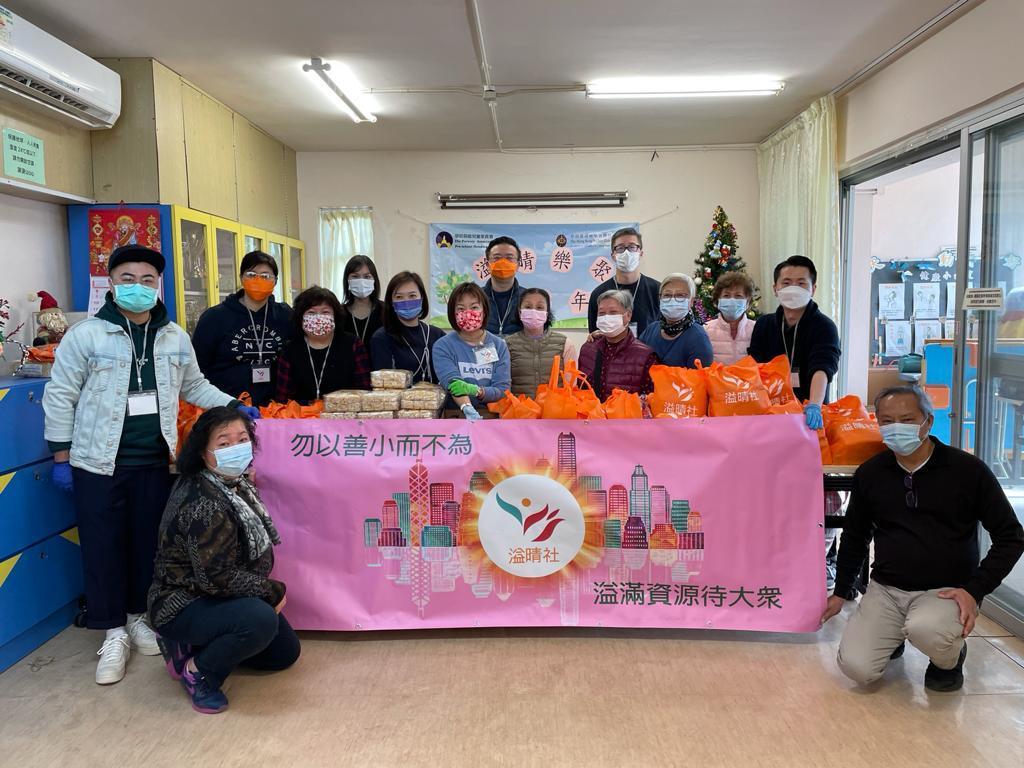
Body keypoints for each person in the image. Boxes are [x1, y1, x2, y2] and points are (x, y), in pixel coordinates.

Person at [41, 244, 259, 686]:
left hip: (155, 462)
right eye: (128, 279)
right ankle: (112, 632)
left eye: (147, 280)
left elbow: (194, 386)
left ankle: (139, 616)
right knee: (103, 547)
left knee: (148, 544)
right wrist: (61, 457)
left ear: (158, 286)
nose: (137, 287)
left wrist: (233, 406)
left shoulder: (173, 336)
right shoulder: (86, 336)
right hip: (97, 463)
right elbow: (60, 395)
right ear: (111, 283)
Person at [822, 386, 1024, 692]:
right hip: (887, 589)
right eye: (887, 421)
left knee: (928, 630)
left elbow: (1011, 536)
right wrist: (840, 592)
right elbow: (855, 536)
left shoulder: (968, 471)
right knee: (856, 667)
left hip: (946, 591)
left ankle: (948, 660)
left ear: (927, 421)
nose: (896, 428)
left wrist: (974, 590)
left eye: (907, 419)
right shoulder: (871, 473)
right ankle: (893, 636)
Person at [149, 407, 299, 714]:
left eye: (242, 440)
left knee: (283, 653)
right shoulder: (204, 501)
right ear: (203, 452)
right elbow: (215, 577)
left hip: (221, 595)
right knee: (260, 621)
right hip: (183, 602)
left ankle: (196, 646)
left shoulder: (231, 483)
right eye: (223, 443)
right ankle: (199, 672)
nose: (236, 448)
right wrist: (270, 591)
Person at [748, 255, 840, 430]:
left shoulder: (825, 326)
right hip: (770, 412)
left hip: (809, 412)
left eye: (801, 283)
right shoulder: (764, 324)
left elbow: (823, 367)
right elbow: (755, 367)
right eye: (786, 283)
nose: (793, 289)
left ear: (813, 289)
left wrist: (814, 405)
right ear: (775, 289)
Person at [192, 251, 292, 407]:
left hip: (276, 408)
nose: (258, 280)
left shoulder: (285, 316)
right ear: (241, 278)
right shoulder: (214, 317)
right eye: (251, 274)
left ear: (275, 281)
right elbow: (197, 369)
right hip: (226, 407)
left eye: (266, 276)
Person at [275, 286, 370, 404]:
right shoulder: (290, 349)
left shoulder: (353, 344)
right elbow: (283, 399)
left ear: (335, 316)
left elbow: (364, 392)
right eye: (311, 312)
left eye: (325, 312)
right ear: (301, 318)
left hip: (345, 412)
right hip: (301, 414)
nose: (318, 318)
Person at [433, 282, 511, 419]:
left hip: (492, 417)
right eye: (461, 308)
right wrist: (467, 407)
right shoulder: (443, 346)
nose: (468, 313)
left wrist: (478, 391)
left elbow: (502, 390)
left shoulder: (499, 345)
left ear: (484, 311)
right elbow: (453, 382)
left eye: (474, 307)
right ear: (453, 313)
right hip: (456, 416)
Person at [579, 290, 658, 400]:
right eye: (601, 313)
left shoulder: (646, 356)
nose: (606, 318)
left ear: (628, 315)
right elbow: (580, 389)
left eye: (613, 312)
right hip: (590, 410)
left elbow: (651, 399)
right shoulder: (588, 349)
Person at [369, 271, 445, 384]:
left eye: (412, 296)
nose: (406, 301)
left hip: (437, 395)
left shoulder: (437, 335)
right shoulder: (382, 338)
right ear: (391, 302)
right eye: (399, 297)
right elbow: (383, 384)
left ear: (422, 298)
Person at [587, 227, 660, 336]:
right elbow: (595, 334)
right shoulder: (599, 294)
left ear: (640, 253)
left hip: (648, 347)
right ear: (613, 255)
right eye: (620, 248)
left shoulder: (657, 290)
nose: (626, 252)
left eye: (632, 247)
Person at [505, 288, 577, 397]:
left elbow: (571, 386)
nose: (534, 311)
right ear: (520, 312)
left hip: (556, 407)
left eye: (539, 307)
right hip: (518, 407)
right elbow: (504, 386)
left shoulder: (565, 344)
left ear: (547, 313)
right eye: (528, 307)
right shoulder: (507, 344)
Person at [639, 273, 712, 368]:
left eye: (680, 295)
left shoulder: (698, 338)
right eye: (667, 295)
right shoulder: (651, 330)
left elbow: (700, 376)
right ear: (660, 299)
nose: (673, 300)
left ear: (691, 301)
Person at [705, 272, 756, 365]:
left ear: (747, 301)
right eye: (726, 296)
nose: (732, 300)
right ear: (718, 300)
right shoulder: (706, 330)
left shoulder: (757, 329)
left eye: (738, 296)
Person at [481, 236, 527, 336]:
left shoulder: (527, 298)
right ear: (488, 265)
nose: (503, 262)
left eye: (509, 258)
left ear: (518, 265)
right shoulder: (476, 297)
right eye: (496, 258)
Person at [338, 255, 385, 345]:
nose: (361, 282)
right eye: (355, 276)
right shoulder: (339, 313)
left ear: (374, 280)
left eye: (367, 277)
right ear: (347, 280)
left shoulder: (386, 310)